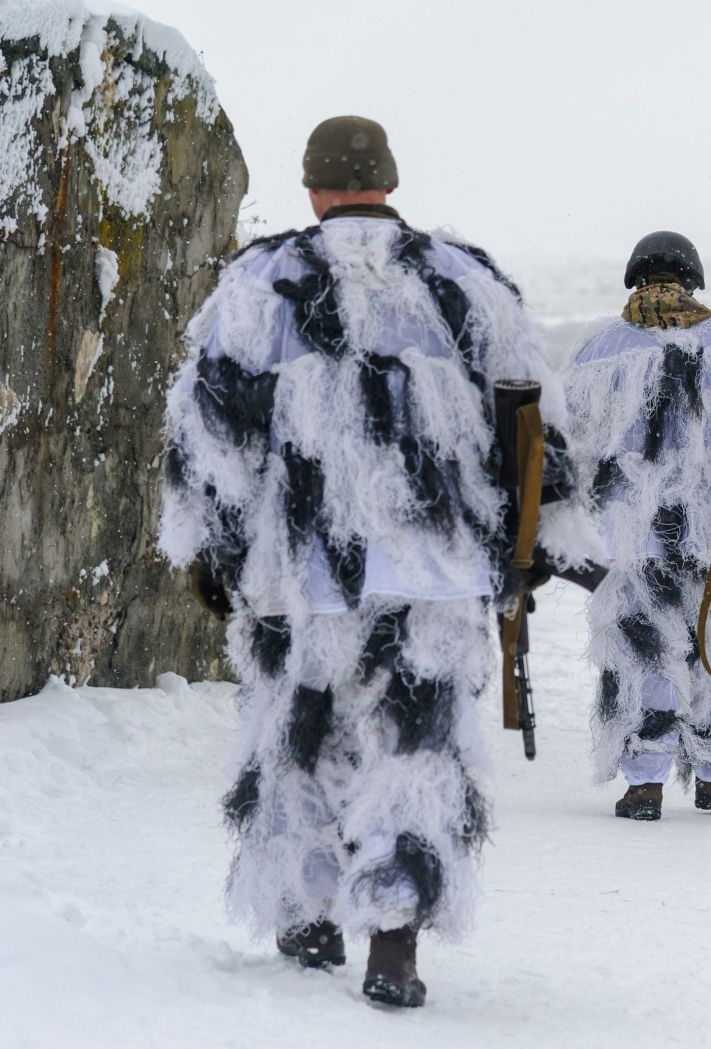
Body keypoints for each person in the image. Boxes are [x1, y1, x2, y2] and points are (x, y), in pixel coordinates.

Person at [159, 116, 594, 1007]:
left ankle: (309, 911)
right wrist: (527, 546)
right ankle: (393, 941)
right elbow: (530, 423)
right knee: (416, 747)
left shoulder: (258, 282)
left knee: (300, 733)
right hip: (436, 568)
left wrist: (216, 551)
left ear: (314, 189)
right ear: (388, 183)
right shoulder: (467, 283)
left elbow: (210, 437)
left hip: (301, 571)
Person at [560, 231, 711, 821]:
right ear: (692, 277)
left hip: (629, 536)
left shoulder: (599, 350)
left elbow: (569, 443)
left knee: (640, 652)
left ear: (634, 276)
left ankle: (645, 781)